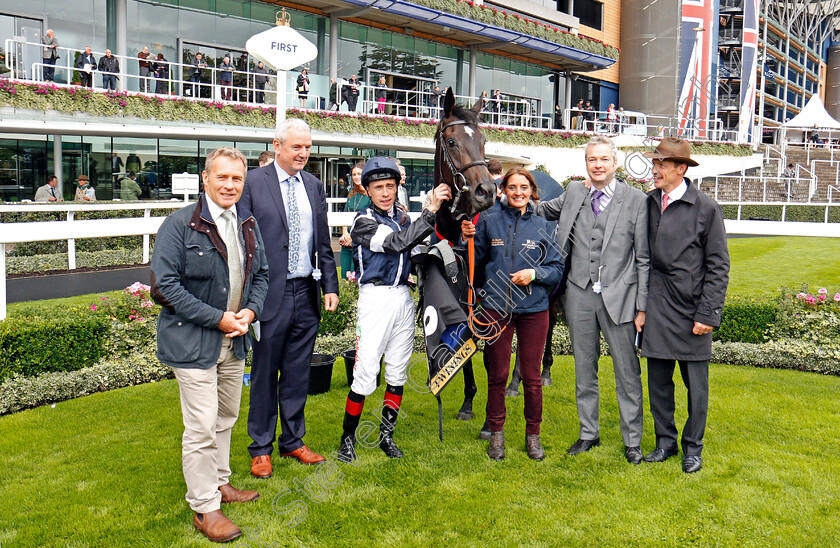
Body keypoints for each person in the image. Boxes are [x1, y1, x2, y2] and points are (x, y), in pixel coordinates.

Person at [150, 147, 269, 543]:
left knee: (226, 418)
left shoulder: (246, 223)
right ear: (206, 179)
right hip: (192, 343)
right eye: (222, 177)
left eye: (237, 179)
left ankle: (220, 484)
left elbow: (262, 276)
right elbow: (165, 288)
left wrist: (249, 313)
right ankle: (204, 506)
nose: (230, 185)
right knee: (200, 427)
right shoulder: (179, 225)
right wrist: (218, 318)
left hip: (234, 341)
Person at [535, 135, 650, 464]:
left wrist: (642, 307)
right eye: (591, 160)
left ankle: (632, 441)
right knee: (585, 371)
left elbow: (643, 258)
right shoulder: (573, 192)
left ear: (615, 164)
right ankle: (589, 433)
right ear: (586, 164)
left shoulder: (636, 200)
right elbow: (541, 209)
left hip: (620, 299)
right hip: (579, 295)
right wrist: (507, 192)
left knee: (627, 373)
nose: (597, 165)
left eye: (603, 159)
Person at [240, 118, 339, 477]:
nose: (303, 153)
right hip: (268, 294)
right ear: (277, 145)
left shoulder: (313, 185)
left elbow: (323, 242)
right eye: (297, 146)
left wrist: (330, 285)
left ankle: (293, 440)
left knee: (297, 373)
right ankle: (261, 447)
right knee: (265, 372)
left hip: (305, 293)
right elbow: (243, 243)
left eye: (308, 147)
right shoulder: (253, 183)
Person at [335, 157, 451, 463]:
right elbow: (398, 244)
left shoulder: (401, 216)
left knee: (398, 371)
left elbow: (414, 248)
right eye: (378, 187)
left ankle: (387, 435)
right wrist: (430, 211)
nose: (385, 192)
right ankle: (347, 440)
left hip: (402, 296)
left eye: (390, 186)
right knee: (365, 372)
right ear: (368, 190)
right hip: (375, 300)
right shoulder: (363, 221)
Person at [461, 168, 563, 461]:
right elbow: (476, 265)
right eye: (512, 187)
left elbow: (556, 269)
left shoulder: (545, 225)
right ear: (502, 190)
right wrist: (466, 237)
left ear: (532, 191)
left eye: (524, 187)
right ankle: (496, 435)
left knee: (531, 377)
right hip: (497, 309)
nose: (519, 192)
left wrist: (534, 273)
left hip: (534, 310)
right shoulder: (489, 223)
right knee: (498, 375)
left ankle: (533, 436)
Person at [641, 139, 729, 474]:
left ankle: (693, 448)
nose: (655, 170)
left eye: (662, 164)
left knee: (697, 387)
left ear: (682, 169)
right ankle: (665, 442)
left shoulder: (707, 208)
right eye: (655, 163)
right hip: (657, 306)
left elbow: (719, 265)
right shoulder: (648, 202)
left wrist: (707, 314)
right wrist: (642, 308)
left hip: (693, 311)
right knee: (658, 382)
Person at [339, 162, 369, 279]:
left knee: (355, 276)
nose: (356, 177)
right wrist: (345, 233)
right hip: (347, 241)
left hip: (360, 240)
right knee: (344, 275)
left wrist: (353, 237)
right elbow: (345, 213)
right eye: (354, 174)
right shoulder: (351, 193)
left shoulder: (370, 194)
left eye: (359, 174)